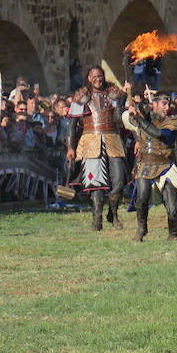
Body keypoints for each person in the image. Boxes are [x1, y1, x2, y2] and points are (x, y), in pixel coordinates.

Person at [65, 66, 128, 231]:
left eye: (100, 76)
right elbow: (71, 124)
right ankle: (97, 219)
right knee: (95, 182)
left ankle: (113, 213)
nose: (98, 79)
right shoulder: (81, 96)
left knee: (119, 180)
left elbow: (122, 117)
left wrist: (124, 97)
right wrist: (70, 147)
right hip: (90, 140)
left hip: (113, 138)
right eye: (94, 76)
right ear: (88, 77)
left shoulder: (113, 92)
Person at [124, 94, 177, 242]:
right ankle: (141, 229)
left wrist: (139, 119)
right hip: (145, 164)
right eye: (164, 104)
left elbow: (158, 134)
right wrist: (126, 98)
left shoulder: (174, 121)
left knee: (172, 206)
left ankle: (173, 234)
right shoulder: (146, 118)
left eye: (168, 104)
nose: (167, 107)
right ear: (155, 105)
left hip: (165, 165)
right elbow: (119, 117)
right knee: (142, 196)